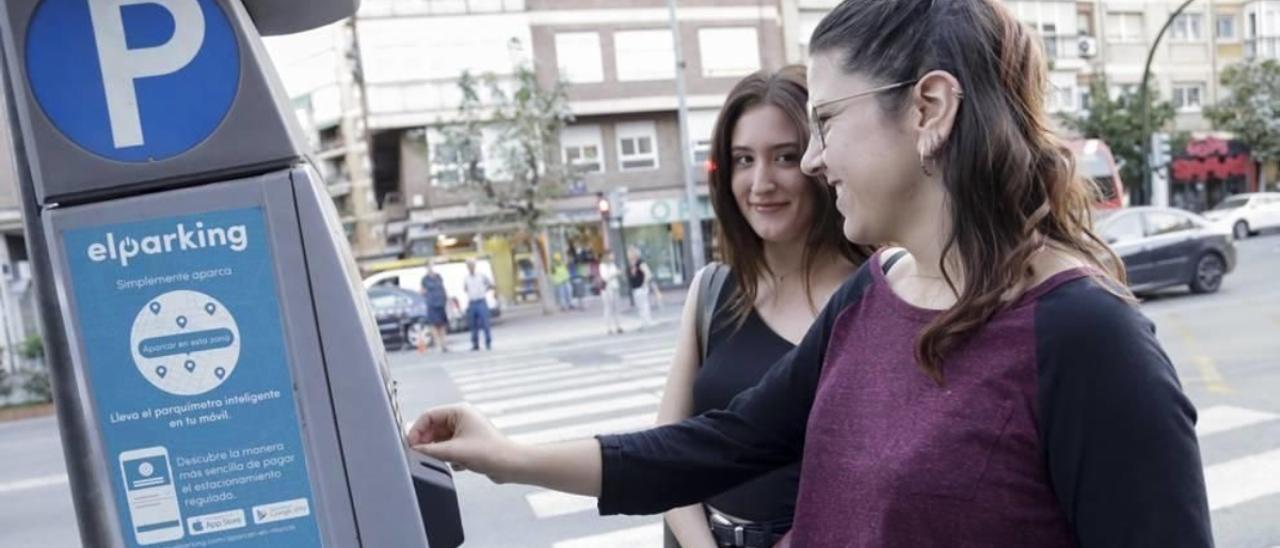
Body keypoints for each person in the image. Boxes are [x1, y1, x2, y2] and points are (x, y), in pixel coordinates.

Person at [407, 1, 1212, 545]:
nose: (816, 159)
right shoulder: (879, 290)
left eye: (825, 122)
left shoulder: (1086, 337)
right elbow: (722, 444)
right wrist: (505, 455)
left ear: (928, 110)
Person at [655, 66, 871, 548]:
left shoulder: (876, 292)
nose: (761, 182)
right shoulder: (711, 290)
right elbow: (668, 452)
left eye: (785, 157)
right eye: (743, 159)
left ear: (820, 162)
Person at [462, 259, 493, 351]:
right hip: (472, 302)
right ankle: (475, 344)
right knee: (473, 324)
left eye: (471, 265)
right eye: (468, 265)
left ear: (474, 265)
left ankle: (488, 342)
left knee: (485, 323)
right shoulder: (466, 278)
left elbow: (490, 284)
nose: (470, 267)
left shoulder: (481, 276)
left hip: (481, 301)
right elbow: (465, 288)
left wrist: (484, 290)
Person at [419, 262, 450, 353]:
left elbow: (443, 288)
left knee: (442, 325)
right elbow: (422, 291)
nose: (430, 268)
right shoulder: (425, 279)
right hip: (432, 304)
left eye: (431, 266)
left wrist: (446, 298)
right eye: (428, 266)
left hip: (441, 303)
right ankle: (438, 345)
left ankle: (444, 344)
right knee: (434, 325)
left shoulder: (438, 277)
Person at [597, 251, 625, 335]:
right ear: (607, 256)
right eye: (611, 255)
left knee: (616, 308)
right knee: (608, 308)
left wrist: (618, 273)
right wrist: (615, 273)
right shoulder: (602, 266)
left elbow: (615, 274)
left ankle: (618, 326)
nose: (613, 257)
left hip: (615, 287)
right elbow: (605, 277)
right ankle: (608, 328)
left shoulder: (613, 265)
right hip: (607, 289)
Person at [627, 247, 655, 328]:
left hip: (641, 287)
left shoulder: (640, 262)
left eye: (630, 253)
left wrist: (644, 283)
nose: (629, 255)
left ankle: (647, 320)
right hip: (635, 287)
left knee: (644, 304)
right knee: (639, 305)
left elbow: (648, 273)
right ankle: (643, 321)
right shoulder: (631, 264)